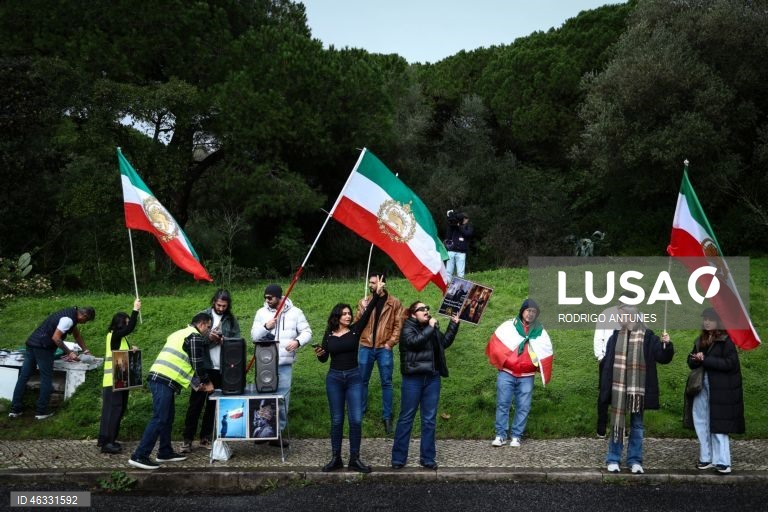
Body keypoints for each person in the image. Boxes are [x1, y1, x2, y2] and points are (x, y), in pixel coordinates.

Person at [315, 277, 386, 473]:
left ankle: (354, 459)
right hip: (334, 379)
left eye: (349, 313)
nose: (348, 316)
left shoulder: (355, 330)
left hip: (354, 378)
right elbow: (324, 359)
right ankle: (336, 458)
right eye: (344, 313)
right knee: (337, 420)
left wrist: (376, 293)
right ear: (337, 316)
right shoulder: (329, 334)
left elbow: (369, 311)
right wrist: (320, 354)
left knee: (356, 419)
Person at [128, 313, 215, 470]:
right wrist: (207, 382)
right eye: (208, 327)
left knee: (167, 417)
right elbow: (197, 364)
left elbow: (183, 363)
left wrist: (197, 385)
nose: (208, 331)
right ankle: (139, 455)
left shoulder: (179, 333)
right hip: (163, 379)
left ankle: (165, 452)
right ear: (202, 324)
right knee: (160, 417)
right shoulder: (194, 337)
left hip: (162, 378)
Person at [601, 304, 674, 474]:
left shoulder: (648, 337)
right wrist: (605, 387)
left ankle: (635, 460)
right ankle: (613, 458)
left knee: (637, 425)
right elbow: (608, 364)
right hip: (619, 389)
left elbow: (662, 357)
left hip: (638, 390)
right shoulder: (615, 337)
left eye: (621, 315)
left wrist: (667, 345)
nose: (618, 318)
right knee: (617, 423)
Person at [391, 302, 460, 470]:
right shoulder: (407, 328)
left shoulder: (431, 327)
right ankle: (398, 458)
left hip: (432, 378)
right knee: (406, 417)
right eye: (422, 309)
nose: (426, 311)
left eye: (427, 308)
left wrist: (453, 324)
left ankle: (427, 458)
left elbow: (443, 343)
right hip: (413, 380)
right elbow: (415, 342)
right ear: (413, 314)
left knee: (429, 420)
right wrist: (430, 327)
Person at [683, 308, 744, 474]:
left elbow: (730, 364)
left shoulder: (726, 341)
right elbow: (691, 361)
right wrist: (696, 359)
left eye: (710, 319)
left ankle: (723, 461)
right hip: (700, 387)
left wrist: (706, 360)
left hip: (721, 390)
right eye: (705, 319)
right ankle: (706, 458)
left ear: (718, 322)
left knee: (719, 424)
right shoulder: (700, 340)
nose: (707, 322)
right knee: (701, 421)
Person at [486, 299, 553, 447]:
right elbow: (496, 342)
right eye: (528, 310)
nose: (530, 314)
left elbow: (546, 350)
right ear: (522, 311)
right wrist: (501, 360)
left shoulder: (540, 331)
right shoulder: (509, 326)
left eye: (534, 312)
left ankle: (516, 436)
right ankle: (500, 435)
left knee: (523, 406)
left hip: (527, 375)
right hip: (507, 372)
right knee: (503, 404)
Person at [250, 284, 312, 447]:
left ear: (279, 297)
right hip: (265, 365)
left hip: (284, 364)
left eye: (270, 297)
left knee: (282, 400)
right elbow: (254, 336)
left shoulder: (296, 312)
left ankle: (277, 433)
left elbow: (307, 332)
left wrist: (297, 341)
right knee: (264, 398)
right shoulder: (261, 313)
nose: (267, 300)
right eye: (265, 297)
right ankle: (262, 432)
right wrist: (266, 327)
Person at [9, 306, 96, 420]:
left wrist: (85, 350)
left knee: (24, 376)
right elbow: (56, 338)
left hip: (32, 343)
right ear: (84, 316)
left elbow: (77, 335)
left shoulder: (71, 314)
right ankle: (41, 412)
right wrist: (69, 353)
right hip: (43, 348)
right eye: (87, 320)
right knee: (46, 378)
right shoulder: (68, 320)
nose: (85, 323)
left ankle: (15, 410)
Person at [181, 289, 241, 453]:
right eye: (218, 305)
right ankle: (187, 439)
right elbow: (192, 340)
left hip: (221, 368)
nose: (221, 308)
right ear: (214, 301)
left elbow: (238, 341)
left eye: (224, 306)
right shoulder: (202, 317)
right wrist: (209, 338)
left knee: (213, 405)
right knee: (195, 404)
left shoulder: (231, 320)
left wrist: (225, 341)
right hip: (202, 367)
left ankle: (205, 437)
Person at [354, 272, 403, 434]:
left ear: (383, 283)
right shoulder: (364, 301)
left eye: (374, 282)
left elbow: (399, 325)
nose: (370, 285)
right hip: (365, 346)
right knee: (362, 381)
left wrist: (390, 343)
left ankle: (387, 417)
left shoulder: (394, 303)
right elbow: (357, 324)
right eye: (370, 282)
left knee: (386, 382)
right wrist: (363, 307)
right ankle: (360, 412)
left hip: (384, 348)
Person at [98, 298, 141, 454]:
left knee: (118, 410)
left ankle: (109, 439)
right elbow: (129, 329)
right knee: (113, 410)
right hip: (113, 380)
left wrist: (131, 350)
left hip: (121, 379)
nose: (128, 325)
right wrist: (135, 310)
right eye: (126, 322)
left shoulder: (120, 338)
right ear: (121, 323)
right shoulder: (114, 335)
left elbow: (120, 354)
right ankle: (107, 443)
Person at [593, 304, 621, 438]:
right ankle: (601, 428)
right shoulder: (607, 313)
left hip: (623, 360)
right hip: (607, 359)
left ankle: (619, 427)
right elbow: (598, 335)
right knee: (604, 393)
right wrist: (600, 357)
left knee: (621, 393)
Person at [444, 210, 473, 279]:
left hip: (461, 252)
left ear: (467, 219)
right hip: (451, 251)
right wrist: (451, 217)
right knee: (448, 271)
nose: (464, 220)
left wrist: (459, 226)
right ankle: (447, 284)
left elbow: (467, 234)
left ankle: (459, 284)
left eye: (465, 219)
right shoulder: (453, 226)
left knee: (460, 272)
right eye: (463, 219)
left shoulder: (469, 227)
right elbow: (448, 234)